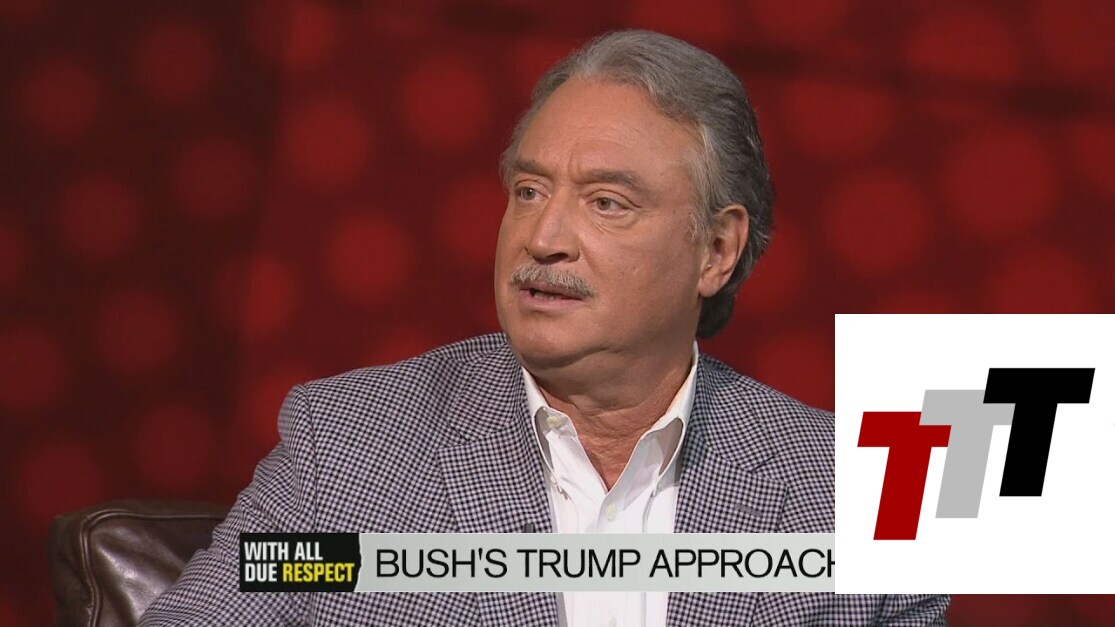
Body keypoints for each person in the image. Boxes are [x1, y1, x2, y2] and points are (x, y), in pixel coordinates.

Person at [142, 30, 949, 626]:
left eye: (606, 202)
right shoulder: (349, 447)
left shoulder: (856, 494)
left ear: (715, 249)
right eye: (528, 191)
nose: (543, 236)